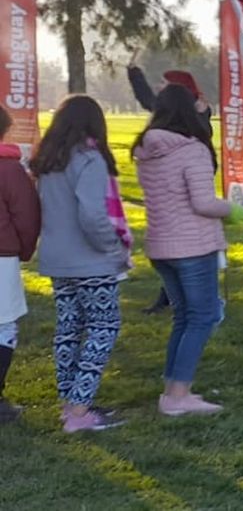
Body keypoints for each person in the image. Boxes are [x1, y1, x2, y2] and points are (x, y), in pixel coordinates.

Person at [133, 84, 239, 416]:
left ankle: (173, 389)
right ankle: (178, 396)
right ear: (188, 109)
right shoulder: (192, 150)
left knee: (183, 317)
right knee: (202, 317)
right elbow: (203, 203)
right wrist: (234, 211)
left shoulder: (147, 150)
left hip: (161, 246)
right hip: (193, 246)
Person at [32, 96, 132, 432]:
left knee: (69, 328)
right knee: (103, 327)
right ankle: (79, 410)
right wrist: (113, 248)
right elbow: (92, 214)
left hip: (58, 260)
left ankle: (71, 403)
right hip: (91, 260)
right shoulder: (89, 159)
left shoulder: (48, 161)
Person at [129, 65, 212, 316]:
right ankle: (171, 298)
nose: (158, 87)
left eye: (163, 83)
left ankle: (180, 301)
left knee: (181, 249)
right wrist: (134, 73)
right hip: (170, 189)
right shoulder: (170, 109)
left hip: (187, 188)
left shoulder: (196, 113)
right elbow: (146, 98)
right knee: (173, 248)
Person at [0, 106, 40, 423]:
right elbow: (27, 217)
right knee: (3, 325)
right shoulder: (10, 169)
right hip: (1, 256)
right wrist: (23, 250)